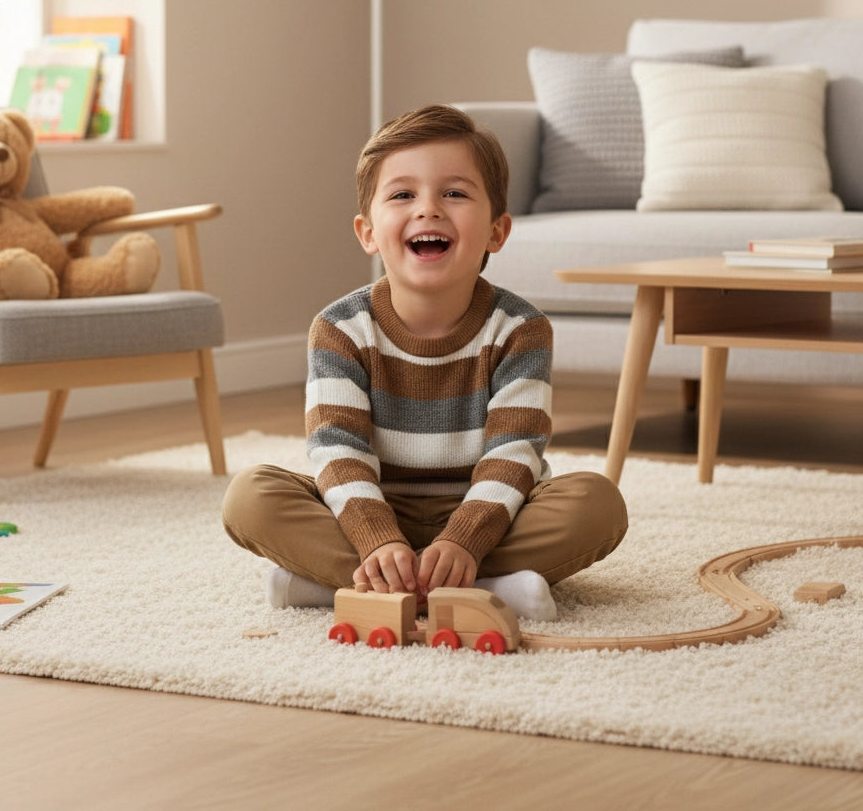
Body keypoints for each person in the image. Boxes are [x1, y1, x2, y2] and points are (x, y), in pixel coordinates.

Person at [221, 104, 628, 620]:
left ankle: (344, 588)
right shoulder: (340, 328)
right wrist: (375, 539)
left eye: (454, 193)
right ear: (368, 231)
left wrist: (463, 540)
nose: (428, 209)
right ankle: (485, 589)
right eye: (402, 195)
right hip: (367, 512)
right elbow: (337, 450)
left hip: (490, 516)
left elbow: (515, 451)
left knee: (597, 504)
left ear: (497, 232)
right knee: (250, 497)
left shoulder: (521, 330)